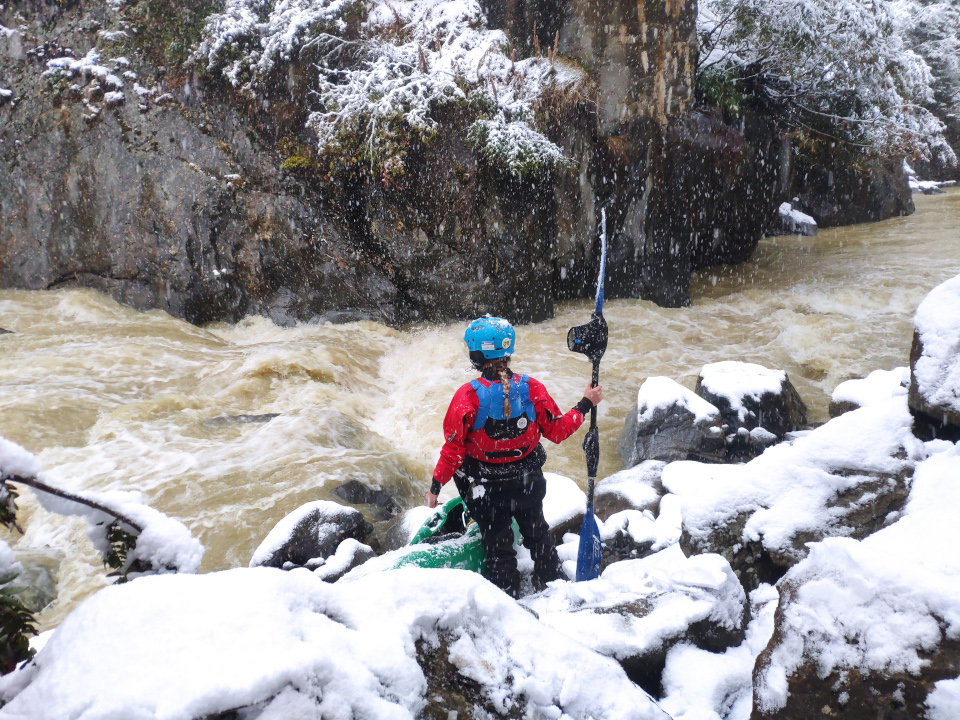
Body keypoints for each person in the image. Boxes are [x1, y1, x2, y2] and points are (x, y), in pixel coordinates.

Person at [424, 315, 603, 598]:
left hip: (487, 491)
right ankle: (556, 583)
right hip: (527, 483)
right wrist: (585, 404)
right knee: (538, 533)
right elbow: (557, 431)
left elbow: (453, 450)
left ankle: (508, 594)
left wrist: (435, 488)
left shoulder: (466, 397)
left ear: (477, 355)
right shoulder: (532, 389)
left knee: (498, 545)